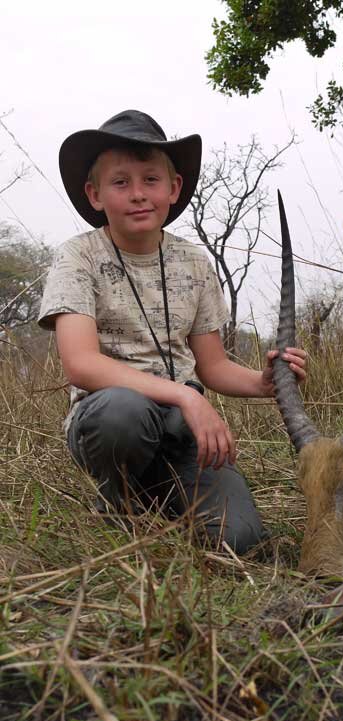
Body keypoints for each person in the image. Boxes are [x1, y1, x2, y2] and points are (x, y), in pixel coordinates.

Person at [38, 109, 306, 554]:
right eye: (121, 183)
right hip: (110, 421)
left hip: (181, 428)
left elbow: (213, 366)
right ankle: (118, 501)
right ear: (95, 195)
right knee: (122, 412)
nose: (139, 195)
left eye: (151, 180)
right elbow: (81, 364)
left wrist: (264, 382)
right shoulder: (78, 256)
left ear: (174, 188)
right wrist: (185, 394)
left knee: (241, 541)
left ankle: (161, 497)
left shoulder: (193, 262)